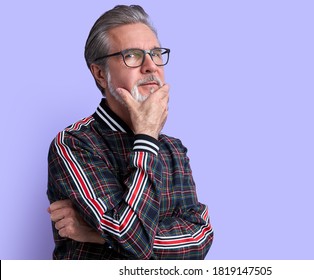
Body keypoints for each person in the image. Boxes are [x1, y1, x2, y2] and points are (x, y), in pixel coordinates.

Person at [46, 4, 213, 260]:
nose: (151, 66)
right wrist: (146, 136)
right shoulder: (74, 143)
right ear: (100, 74)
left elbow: (199, 239)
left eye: (155, 53)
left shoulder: (173, 149)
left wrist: (97, 233)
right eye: (133, 55)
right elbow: (131, 238)